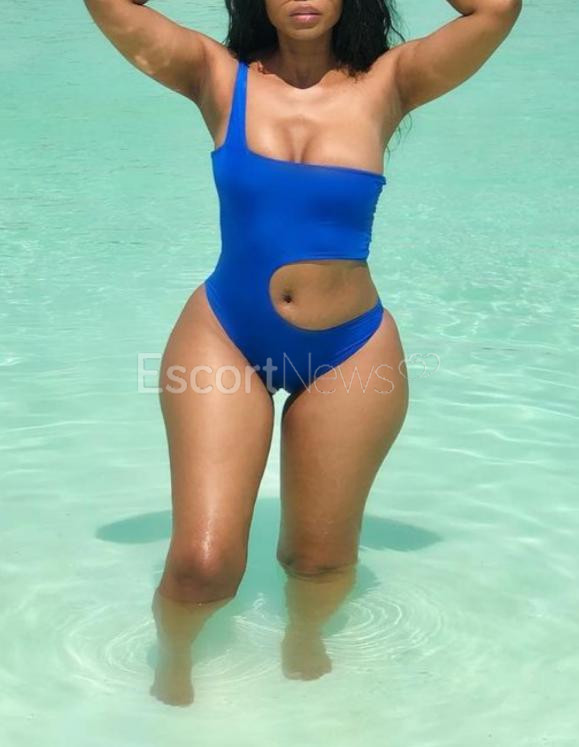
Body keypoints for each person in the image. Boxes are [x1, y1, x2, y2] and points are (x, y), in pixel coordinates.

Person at [85, 0, 522, 704]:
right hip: (226, 336)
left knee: (318, 561)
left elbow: (495, 10)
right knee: (202, 564)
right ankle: (172, 661)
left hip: (351, 351)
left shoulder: (390, 83)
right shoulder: (215, 76)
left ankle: (305, 635)